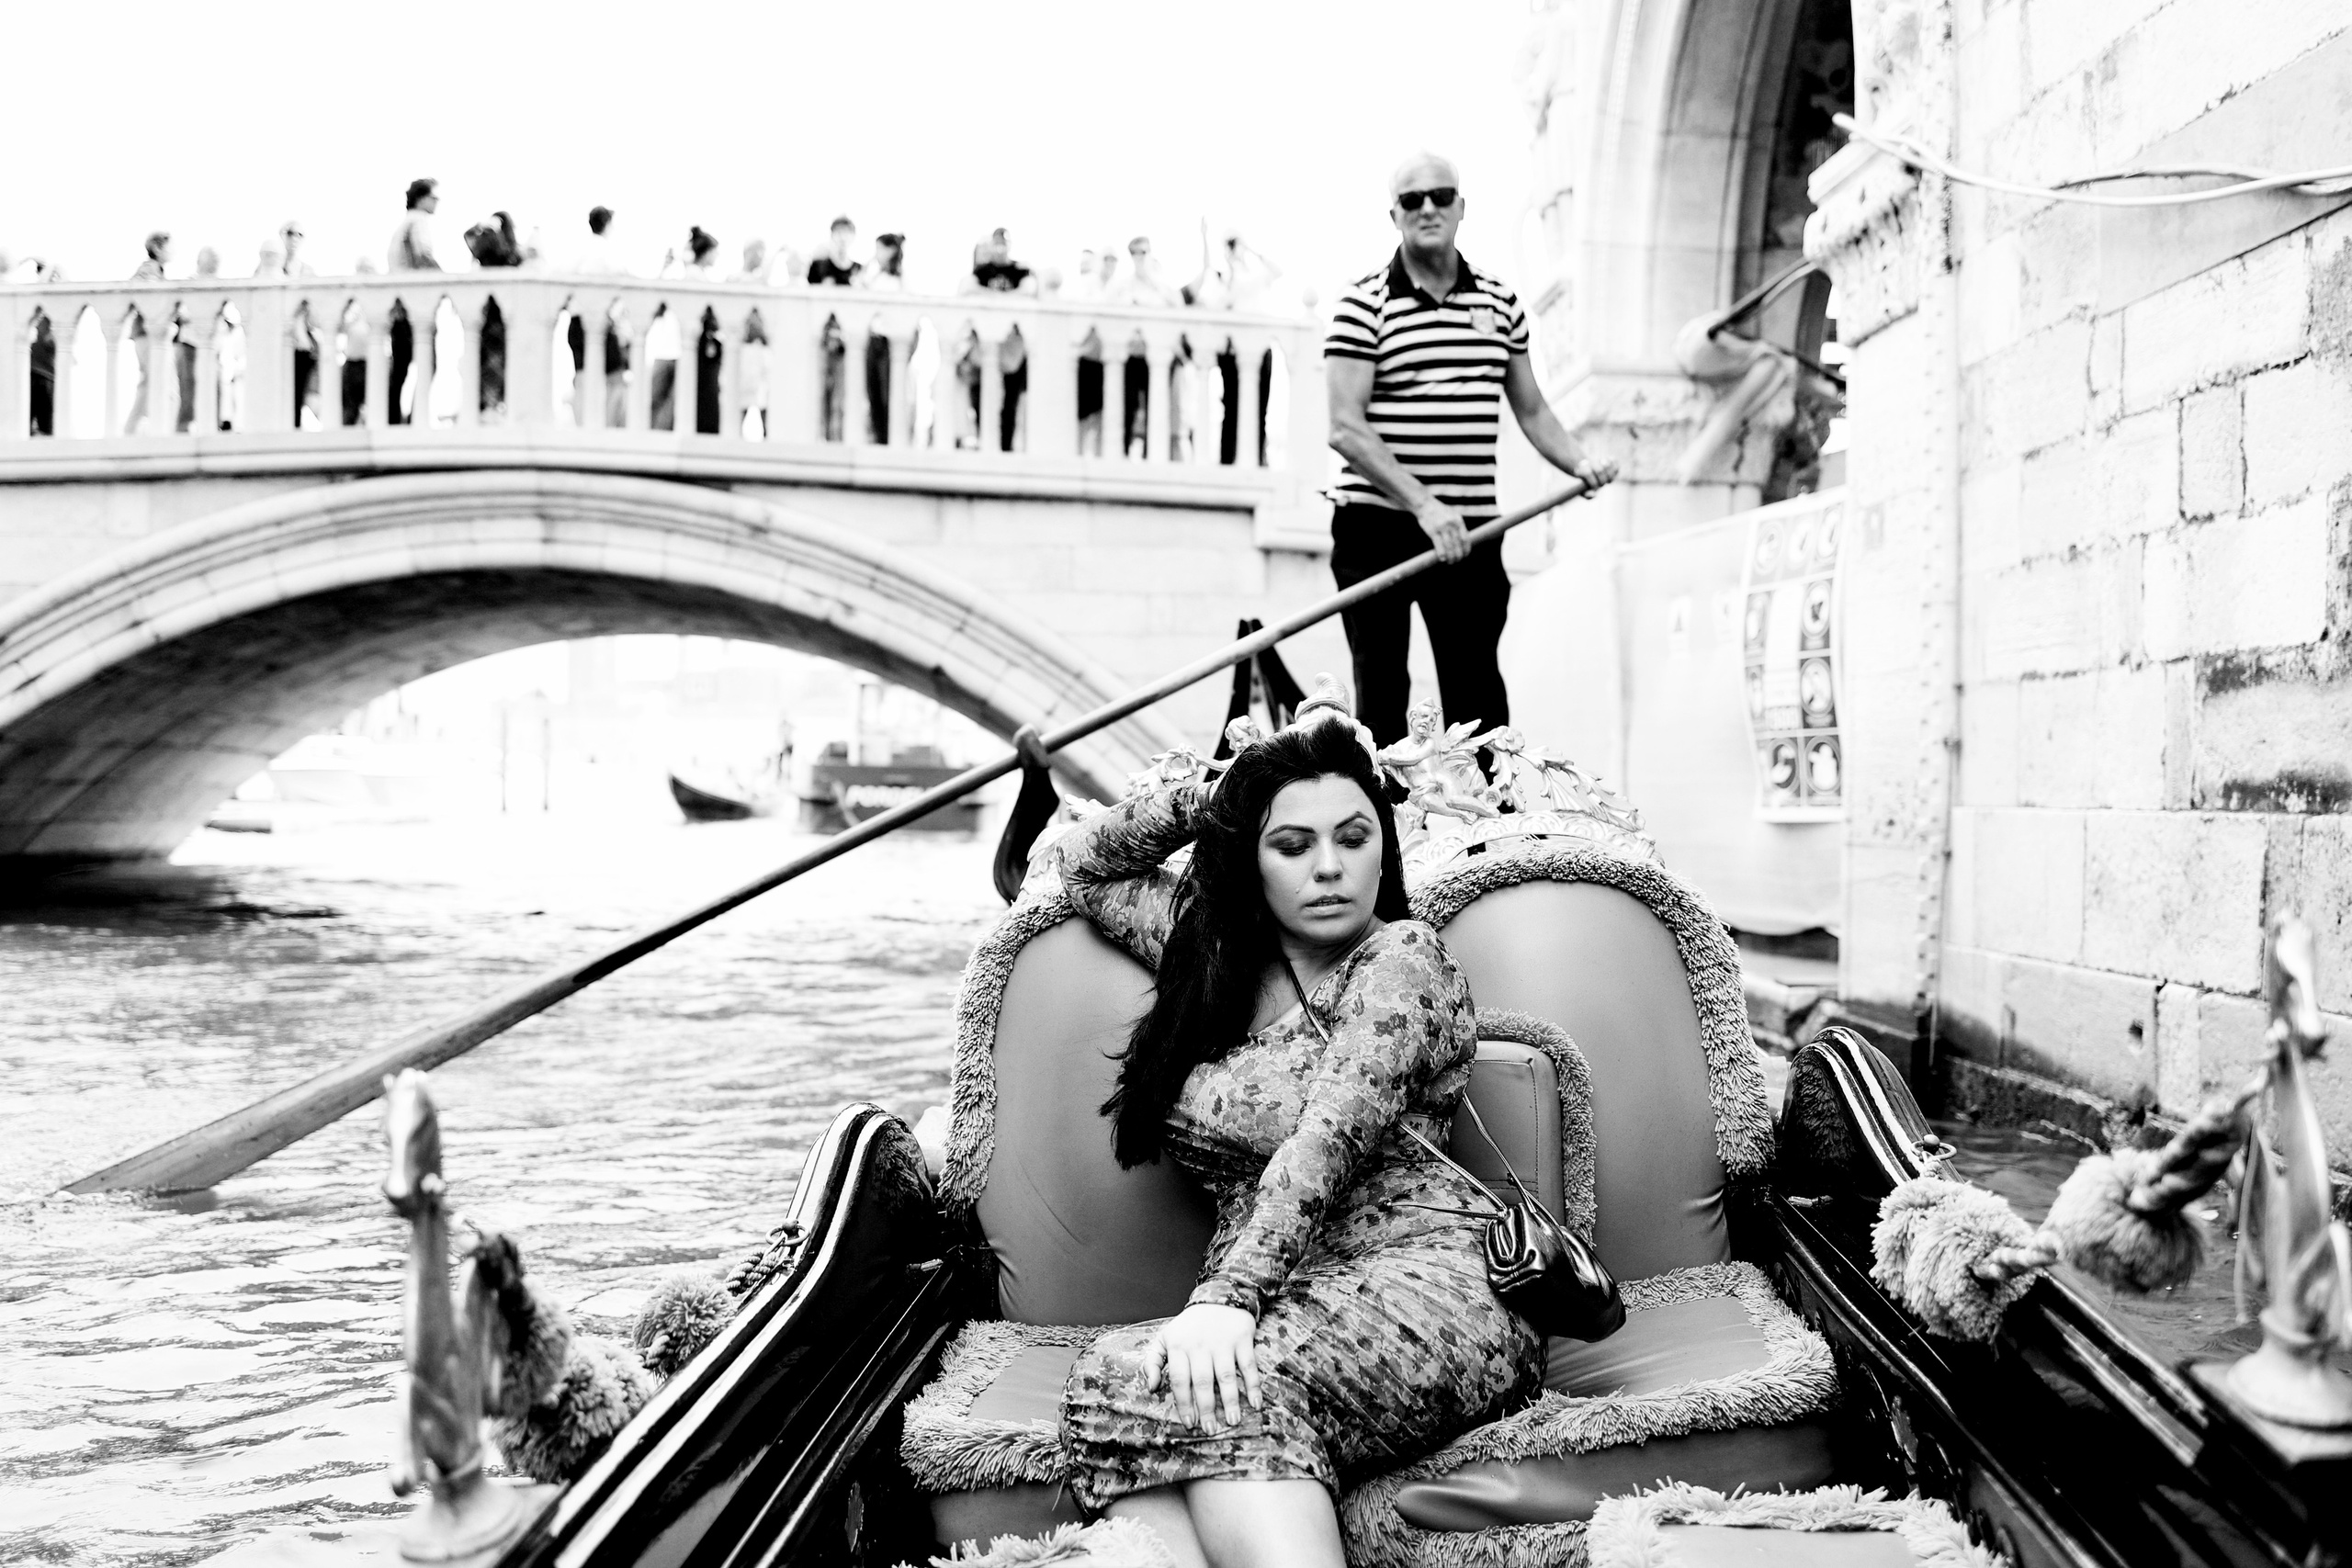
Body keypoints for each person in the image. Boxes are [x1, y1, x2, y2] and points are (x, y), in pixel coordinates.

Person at [1044, 705, 1536, 1568]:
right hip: (1291, 1299)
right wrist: (1216, 796)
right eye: (1293, 845)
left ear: (1383, 841)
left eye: (1352, 837)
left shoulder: (1402, 961)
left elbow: (1325, 1142)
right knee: (1116, 1387)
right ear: (1252, 858)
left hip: (1431, 1285)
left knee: (1176, 1387)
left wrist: (1227, 1301)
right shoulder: (1214, 953)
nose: (1331, 868)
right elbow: (1083, 865)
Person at [1325, 153, 1615, 746]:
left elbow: (1531, 409)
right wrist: (1425, 506)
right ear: (1394, 215)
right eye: (1412, 200)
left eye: (1440, 195)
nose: (1427, 208)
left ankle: (1491, 830)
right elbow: (1345, 428)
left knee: (1477, 694)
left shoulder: (1500, 302)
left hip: (1471, 532)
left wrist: (1579, 462)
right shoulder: (1362, 304)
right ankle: (1385, 828)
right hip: (1376, 525)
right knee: (1381, 693)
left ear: (1461, 207)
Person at [568, 206, 630, 427]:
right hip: (599, 323)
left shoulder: (578, 251)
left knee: (582, 378)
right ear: (608, 224)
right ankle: (609, 427)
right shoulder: (607, 252)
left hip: (576, 323)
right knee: (615, 379)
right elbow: (626, 281)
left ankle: (582, 426)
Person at [386, 179, 441, 425]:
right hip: (414, 308)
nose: (437, 202)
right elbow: (423, 255)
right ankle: (412, 419)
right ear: (422, 198)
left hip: (399, 307)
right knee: (427, 364)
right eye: (434, 197)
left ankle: (394, 419)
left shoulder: (402, 225)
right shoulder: (418, 221)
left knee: (400, 369)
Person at [808, 217, 860, 441]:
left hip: (845, 345)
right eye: (838, 232)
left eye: (846, 232)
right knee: (817, 392)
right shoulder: (819, 266)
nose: (842, 237)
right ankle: (817, 438)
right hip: (819, 341)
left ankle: (836, 439)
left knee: (841, 395)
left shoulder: (858, 270)